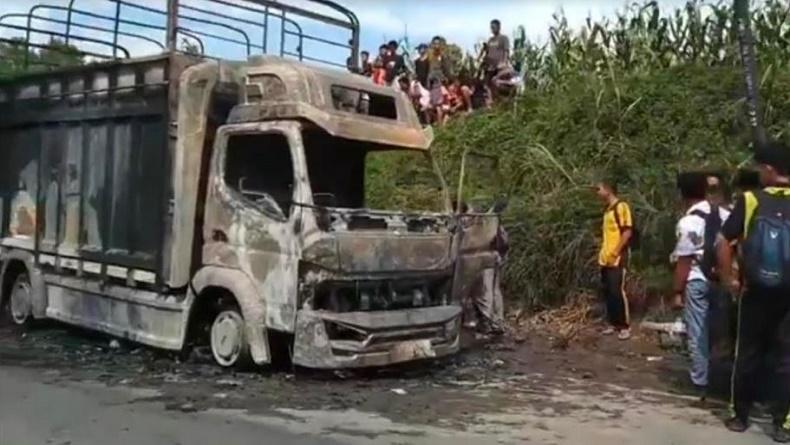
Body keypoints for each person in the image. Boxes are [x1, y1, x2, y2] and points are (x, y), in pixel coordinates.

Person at [718, 142, 790, 441]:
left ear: (770, 171)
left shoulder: (750, 200)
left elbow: (723, 241)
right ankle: (783, 423)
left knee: (746, 353)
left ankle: (739, 415)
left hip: (755, 291)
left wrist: (728, 279)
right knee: (787, 357)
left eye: (761, 168)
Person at [670, 172, 730, 400]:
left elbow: (684, 261)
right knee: (720, 332)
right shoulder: (727, 214)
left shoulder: (687, 222)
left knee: (698, 333)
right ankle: (721, 379)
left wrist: (677, 291)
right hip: (724, 281)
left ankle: (700, 383)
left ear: (683, 194)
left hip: (697, 281)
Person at [595, 178, 633, 340]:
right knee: (608, 291)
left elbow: (627, 231)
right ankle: (613, 323)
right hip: (605, 258)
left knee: (617, 291)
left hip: (617, 257)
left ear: (608, 189)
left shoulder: (621, 207)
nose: (597, 193)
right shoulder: (607, 210)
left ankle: (624, 326)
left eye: (598, 189)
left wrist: (616, 251)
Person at [483, 19, 510, 91]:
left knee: (497, 83)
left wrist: (504, 62)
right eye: (491, 27)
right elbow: (488, 52)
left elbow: (506, 51)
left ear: (498, 27)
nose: (492, 29)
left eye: (494, 27)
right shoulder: (490, 40)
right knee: (487, 85)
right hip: (490, 66)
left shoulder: (503, 38)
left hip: (499, 66)